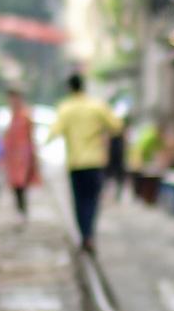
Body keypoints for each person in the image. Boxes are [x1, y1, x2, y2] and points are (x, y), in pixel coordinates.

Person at [50, 73, 122, 253]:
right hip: (94, 161)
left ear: (69, 88)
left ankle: (84, 235)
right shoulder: (96, 106)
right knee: (92, 200)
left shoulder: (66, 108)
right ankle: (89, 234)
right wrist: (100, 132)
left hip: (75, 163)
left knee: (79, 200)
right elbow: (116, 126)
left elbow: (54, 131)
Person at [1, 88, 39, 226]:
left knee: (21, 184)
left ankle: (22, 212)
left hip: (22, 156)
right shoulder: (12, 116)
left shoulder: (25, 116)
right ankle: (20, 211)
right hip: (12, 157)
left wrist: (32, 156)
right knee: (16, 185)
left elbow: (30, 137)